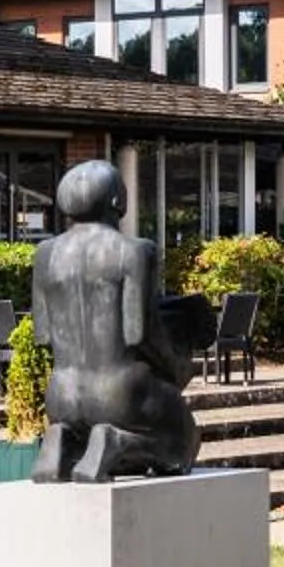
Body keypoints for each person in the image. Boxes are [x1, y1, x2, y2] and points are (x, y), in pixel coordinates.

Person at [28, 159, 202, 483]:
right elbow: (138, 333)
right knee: (182, 439)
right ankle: (115, 442)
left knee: (81, 427)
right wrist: (177, 365)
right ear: (116, 202)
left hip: (61, 395)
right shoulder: (134, 251)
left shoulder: (45, 254)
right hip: (120, 394)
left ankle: (59, 440)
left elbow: (43, 335)